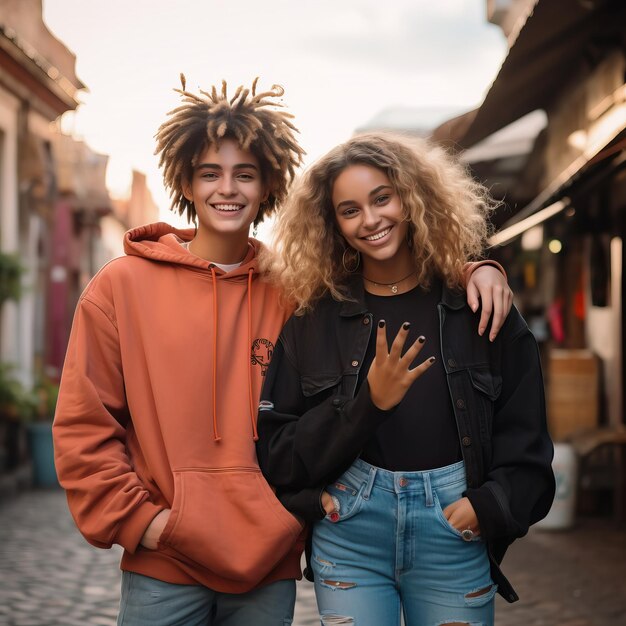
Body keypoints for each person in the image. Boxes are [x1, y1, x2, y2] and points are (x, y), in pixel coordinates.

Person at [53, 77, 513, 626]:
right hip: (163, 565)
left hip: (266, 565)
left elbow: (391, 270)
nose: (229, 189)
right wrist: (146, 524)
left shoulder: (300, 289)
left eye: (245, 174)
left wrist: (474, 270)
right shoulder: (119, 288)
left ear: (269, 183)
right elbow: (84, 425)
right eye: (210, 174)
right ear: (185, 181)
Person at [256, 133, 555, 626]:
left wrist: (487, 506)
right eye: (349, 210)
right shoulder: (312, 321)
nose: (371, 220)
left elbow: (526, 436)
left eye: (382, 198)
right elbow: (277, 453)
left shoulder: (479, 305)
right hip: (350, 531)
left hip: (452, 529)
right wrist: (367, 406)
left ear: (412, 195)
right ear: (332, 224)